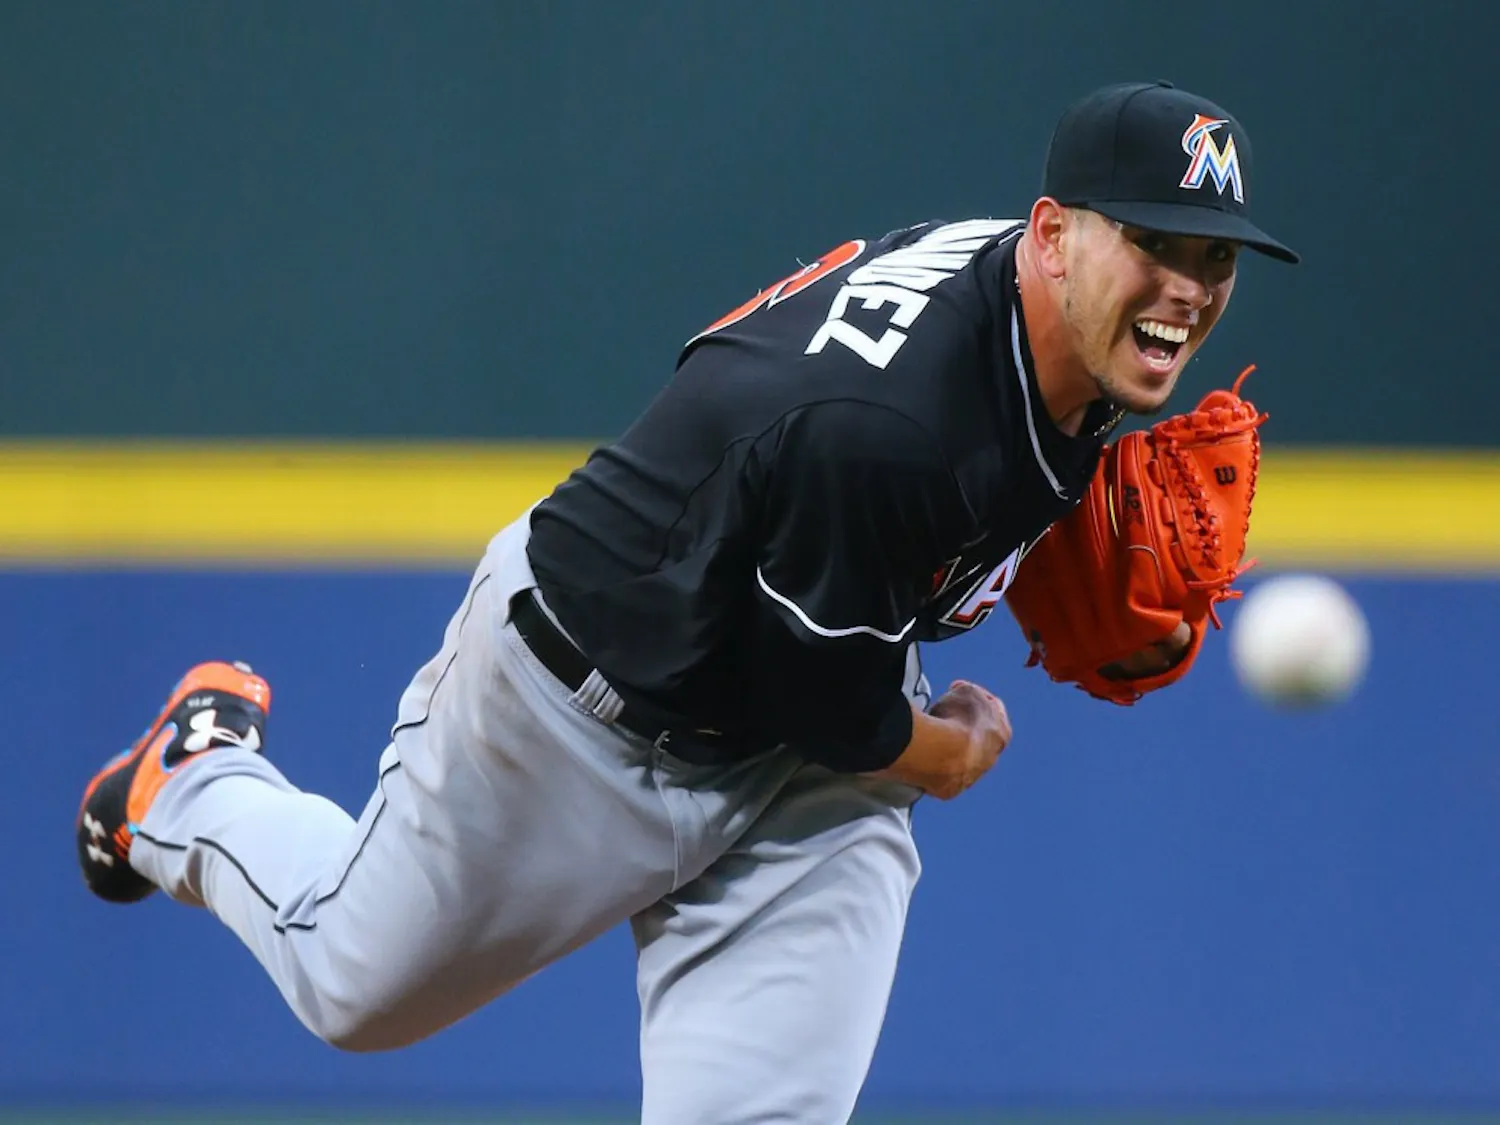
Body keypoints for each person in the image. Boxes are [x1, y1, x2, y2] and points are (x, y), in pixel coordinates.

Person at [75, 80, 1297, 1124]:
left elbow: (843, 653)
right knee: (354, 987)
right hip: (578, 708)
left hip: (799, 775)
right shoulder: (893, 428)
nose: (1188, 286)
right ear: (1052, 234)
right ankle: (191, 780)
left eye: (1214, 256)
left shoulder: (1045, 325)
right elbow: (833, 703)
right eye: (1155, 242)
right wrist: (954, 753)